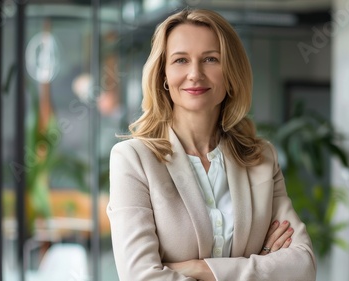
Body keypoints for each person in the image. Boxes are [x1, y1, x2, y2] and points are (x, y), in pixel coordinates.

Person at [107, 8, 316, 281]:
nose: (195, 74)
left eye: (210, 59)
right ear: (163, 77)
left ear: (231, 74)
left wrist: (199, 269)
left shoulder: (261, 158)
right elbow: (141, 277)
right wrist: (262, 262)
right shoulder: (133, 160)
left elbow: (302, 266)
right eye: (181, 60)